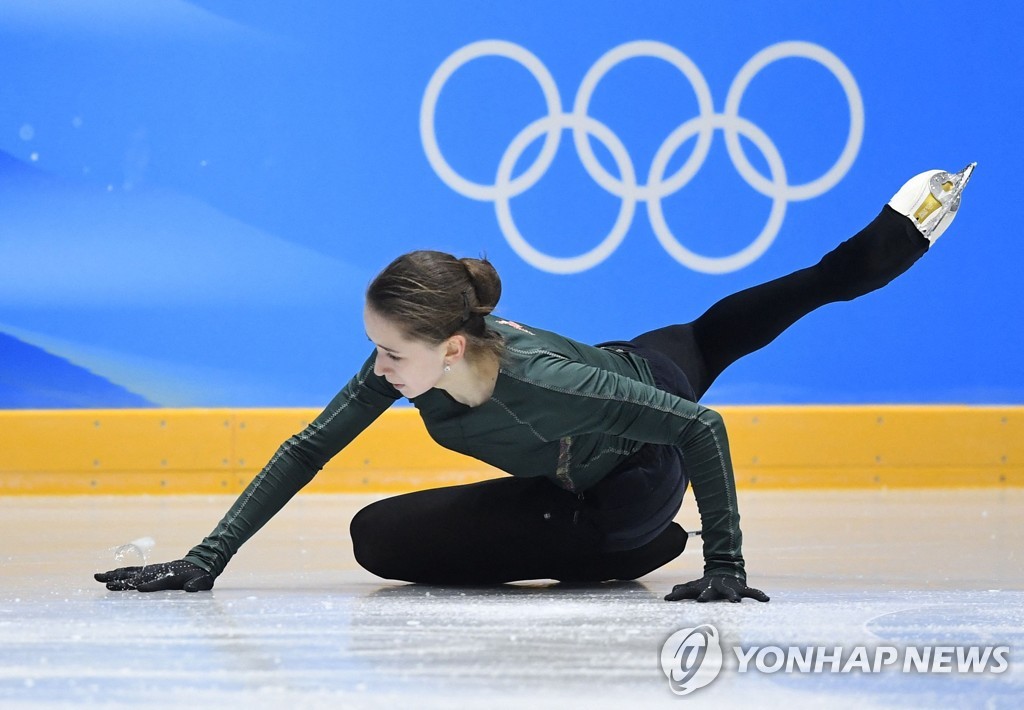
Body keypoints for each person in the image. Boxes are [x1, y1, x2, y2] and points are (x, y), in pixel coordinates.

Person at [95, 163, 975, 602]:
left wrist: (726, 565)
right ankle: (608, 541)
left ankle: (636, 544)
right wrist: (204, 563)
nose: (375, 368)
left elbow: (702, 431)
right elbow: (306, 448)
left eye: (391, 354)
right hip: (613, 381)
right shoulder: (409, 368)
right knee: (380, 541)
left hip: (633, 472)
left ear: (449, 348)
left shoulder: (541, 379)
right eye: (374, 350)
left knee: (390, 542)